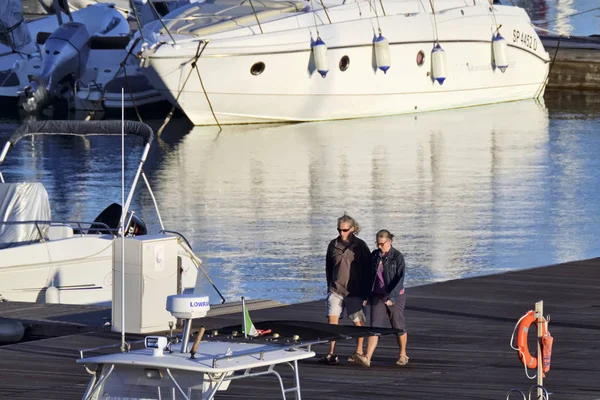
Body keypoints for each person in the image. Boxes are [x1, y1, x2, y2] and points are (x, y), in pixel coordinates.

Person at [319, 214, 371, 365]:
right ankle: (331, 352)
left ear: (353, 229)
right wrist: (329, 284)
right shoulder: (332, 244)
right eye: (339, 229)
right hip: (335, 289)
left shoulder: (361, 246)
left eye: (345, 230)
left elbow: (368, 270)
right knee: (332, 320)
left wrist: (366, 292)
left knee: (357, 321)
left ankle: (359, 351)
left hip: (355, 290)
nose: (341, 233)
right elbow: (329, 266)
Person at [355, 229, 408, 367]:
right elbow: (368, 277)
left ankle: (403, 354)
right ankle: (368, 357)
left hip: (395, 296)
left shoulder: (397, 257)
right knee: (374, 327)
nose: (379, 246)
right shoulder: (374, 256)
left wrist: (393, 297)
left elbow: (399, 279)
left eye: (382, 244)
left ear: (389, 241)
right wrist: (365, 295)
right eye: (377, 243)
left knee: (397, 325)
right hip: (377, 295)